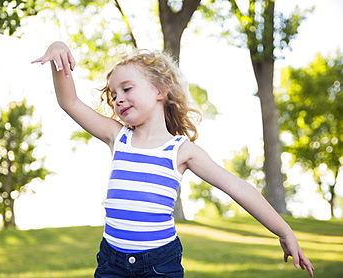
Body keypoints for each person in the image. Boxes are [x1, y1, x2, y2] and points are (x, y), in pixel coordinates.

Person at [32, 41, 315, 278]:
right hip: (111, 262)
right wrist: (58, 51)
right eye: (113, 95)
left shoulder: (182, 150)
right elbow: (69, 102)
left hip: (159, 265)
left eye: (127, 89)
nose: (118, 99)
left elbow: (238, 188)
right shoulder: (117, 136)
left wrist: (283, 230)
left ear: (160, 90)